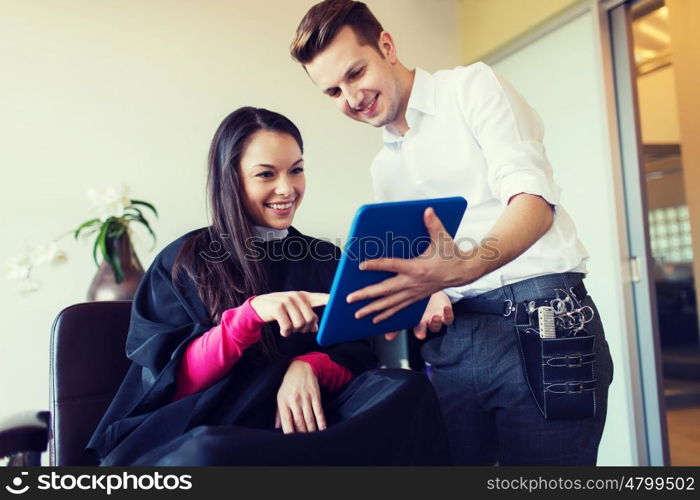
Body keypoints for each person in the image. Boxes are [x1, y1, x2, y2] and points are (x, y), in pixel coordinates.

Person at [290, 0, 614, 465]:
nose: (351, 98)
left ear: (386, 45)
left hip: (540, 318)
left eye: (356, 74)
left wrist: (467, 265)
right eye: (333, 92)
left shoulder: (472, 88)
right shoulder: (385, 168)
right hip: (454, 346)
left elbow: (534, 203)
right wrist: (429, 296)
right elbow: (428, 269)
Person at [86, 106, 450, 466]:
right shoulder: (185, 261)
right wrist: (249, 316)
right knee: (209, 452)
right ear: (231, 178)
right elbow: (173, 382)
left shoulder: (324, 257)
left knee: (408, 390)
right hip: (215, 423)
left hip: (308, 421)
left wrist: (307, 366)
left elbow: (355, 355)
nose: (286, 188)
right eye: (266, 174)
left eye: (296, 170)